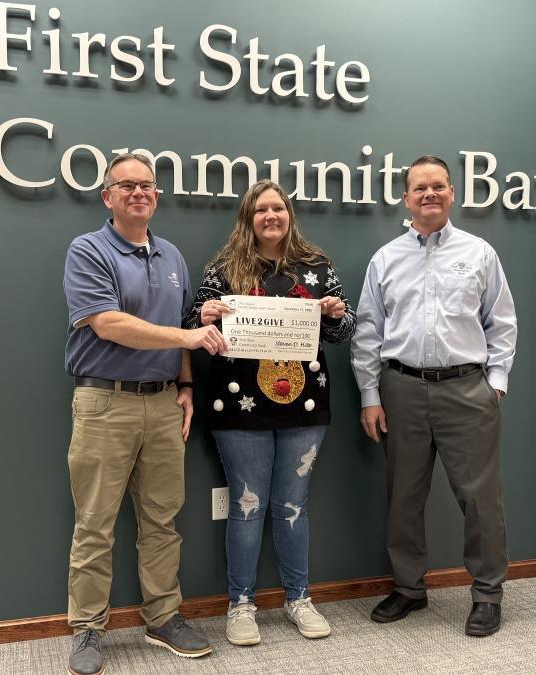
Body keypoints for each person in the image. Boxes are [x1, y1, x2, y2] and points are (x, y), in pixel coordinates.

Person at [63, 153, 229, 675]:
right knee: (95, 522)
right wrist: (188, 335)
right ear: (107, 196)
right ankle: (87, 628)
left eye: (148, 185)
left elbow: (176, 325)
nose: (139, 192)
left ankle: (163, 617)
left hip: (162, 404)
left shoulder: (173, 255)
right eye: (126, 185)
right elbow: (109, 324)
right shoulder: (88, 250)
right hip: (104, 403)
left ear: (156, 195)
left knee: (163, 518)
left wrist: (184, 382)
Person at [184, 179, 356, 646]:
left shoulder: (317, 266)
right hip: (240, 409)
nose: (270, 217)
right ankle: (240, 604)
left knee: (294, 505)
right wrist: (204, 315)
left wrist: (337, 314)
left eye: (277, 208)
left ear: (289, 214)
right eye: (260, 210)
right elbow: (190, 323)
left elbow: (345, 332)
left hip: (305, 407)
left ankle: (299, 597)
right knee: (247, 506)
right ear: (248, 217)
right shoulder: (224, 267)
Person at [350, 155, 517, 637]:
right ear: (405, 198)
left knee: (481, 498)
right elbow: (367, 332)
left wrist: (496, 384)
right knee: (403, 495)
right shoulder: (385, 259)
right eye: (419, 187)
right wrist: (369, 394)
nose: (429, 194)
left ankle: (487, 594)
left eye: (438, 186)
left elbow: (501, 323)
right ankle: (409, 588)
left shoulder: (479, 252)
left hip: (468, 390)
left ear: (452, 193)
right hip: (400, 389)